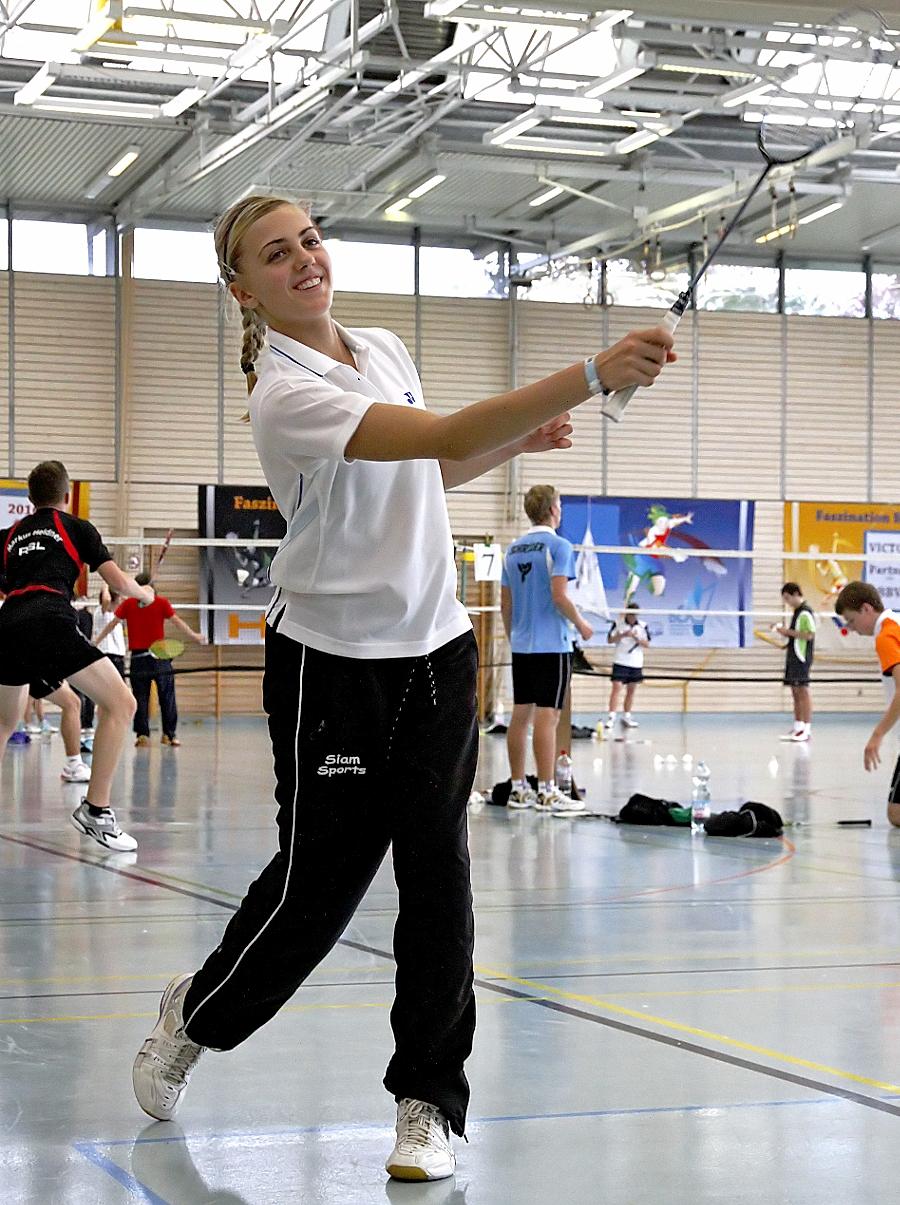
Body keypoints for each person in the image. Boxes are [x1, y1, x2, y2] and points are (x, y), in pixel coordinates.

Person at [130, 193, 676, 1182]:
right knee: (315, 893)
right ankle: (196, 1013)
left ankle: (429, 1100)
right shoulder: (283, 395)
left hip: (437, 652)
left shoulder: (378, 343)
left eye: (309, 240)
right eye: (276, 253)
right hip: (332, 666)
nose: (304, 260)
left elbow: (440, 458)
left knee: (439, 881)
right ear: (242, 287)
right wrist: (590, 374)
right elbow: (433, 435)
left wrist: (517, 443)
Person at [0, 460, 153, 851]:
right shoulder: (76, 527)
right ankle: (96, 811)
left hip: (8, 625)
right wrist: (144, 595)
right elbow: (117, 581)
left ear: (30, 499)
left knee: (3, 724)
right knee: (122, 705)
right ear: (66, 496)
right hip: (49, 621)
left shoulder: (8, 536)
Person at [501, 484, 592, 813]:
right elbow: (559, 596)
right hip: (553, 644)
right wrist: (582, 625)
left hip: (522, 644)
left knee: (520, 714)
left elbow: (505, 603)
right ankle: (547, 790)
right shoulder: (559, 546)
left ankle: (517, 789)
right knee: (548, 716)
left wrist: (516, 636)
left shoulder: (513, 550)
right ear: (553, 510)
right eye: (560, 504)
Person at [94, 573, 205, 747]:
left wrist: (96, 641)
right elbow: (113, 622)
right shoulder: (131, 605)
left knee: (145, 697)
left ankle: (147, 735)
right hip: (149, 657)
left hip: (153, 656)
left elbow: (112, 624)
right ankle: (163, 735)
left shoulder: (158, 603)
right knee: (156, 697)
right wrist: (195, 636)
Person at [835, 581, 900, 827]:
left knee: (896, 814)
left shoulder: (886, 636)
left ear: (865, 609)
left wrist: (877, 734)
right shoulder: (895, 622)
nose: (851, 628)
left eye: (851, 621)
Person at [775, 581, 816, 742]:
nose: (787, 602)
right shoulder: (796, 612)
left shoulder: (805, 612)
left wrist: (787, 632)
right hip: (793, 655)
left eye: (787, 598)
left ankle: (806, 728)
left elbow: (809, 634)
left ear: (796, 594)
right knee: (795, 691)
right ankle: (798, 727)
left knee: (803, 691)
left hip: (802, 657)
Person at [604, 603, 650, 732]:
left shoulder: (643, 626)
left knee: (631, 690)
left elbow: (647, 644)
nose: (632, 616)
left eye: (634, 614)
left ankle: (627, 716)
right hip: (620, 660)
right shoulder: (618, 623)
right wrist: (623, 635)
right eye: (630, 613)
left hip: (635, 662)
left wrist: (636, 637)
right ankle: (611, 716)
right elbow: (610, 640)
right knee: (616, 688)